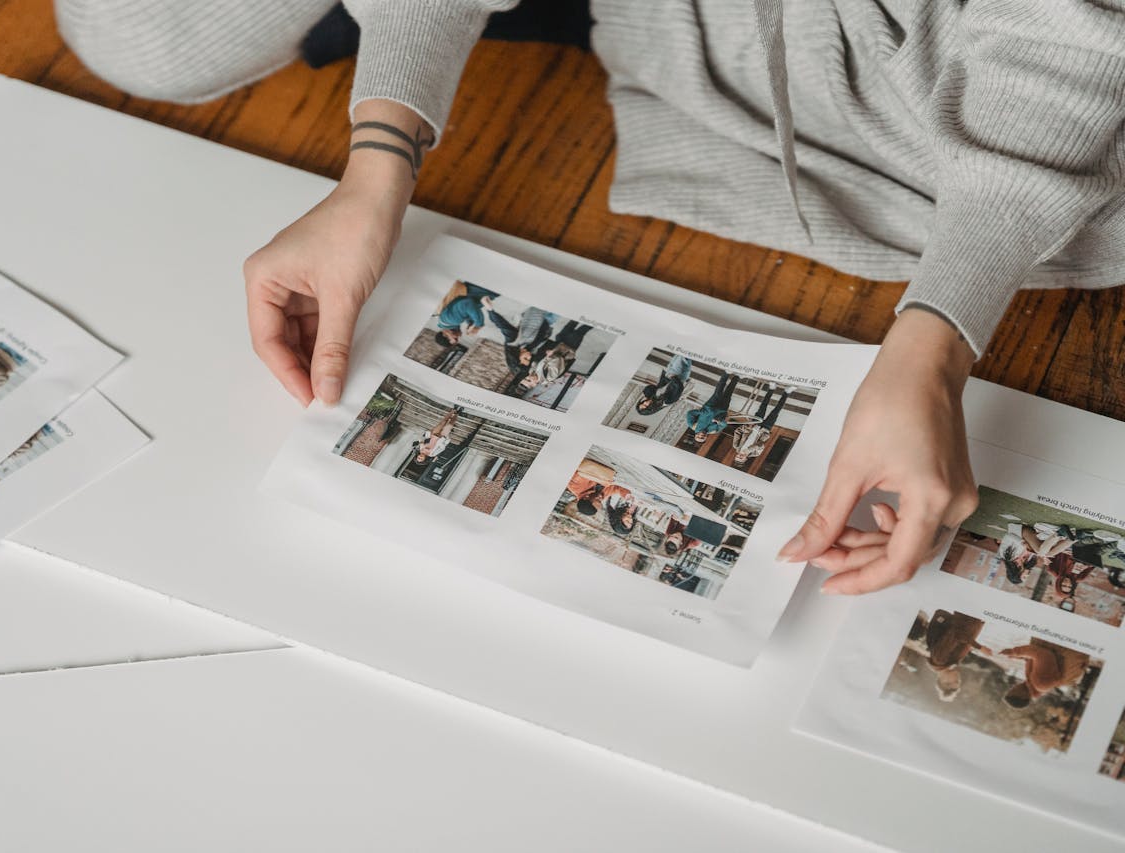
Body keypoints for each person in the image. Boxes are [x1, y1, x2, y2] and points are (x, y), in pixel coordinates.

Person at [58, 1, 1125, 595]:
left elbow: (1060, 58)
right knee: (134, 31)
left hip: (931, 94)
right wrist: (377, 160)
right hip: (663, 23)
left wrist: (932, 343)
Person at [1000, 639, 1090, 709]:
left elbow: (1040, 662)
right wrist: (1015, 652)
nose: (1014, 686)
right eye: (1013, 690)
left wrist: (1021, 657)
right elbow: (1043, 654)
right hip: (1064, 643)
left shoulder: (1032, 682)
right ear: (1023, 696)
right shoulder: (1040, 683)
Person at [923, 609, 991, 703]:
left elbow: (956, 634)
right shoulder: (947, 663)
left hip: (967, 614)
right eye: (958, 682)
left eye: (956, 681)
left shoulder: (940, 659)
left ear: (944, 681)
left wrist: (980, 647)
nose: (959, 679)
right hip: (972, 616)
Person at [731, 385, 793, 468]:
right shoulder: (756, 453)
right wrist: (749, 449)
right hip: (765, 429)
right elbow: (761, 445)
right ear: (745, 459)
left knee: (763, 406)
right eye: (741, 458)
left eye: (737, 457)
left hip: (754, 424)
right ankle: (787, 392)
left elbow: (737, 431)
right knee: (776, 410)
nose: (740, 456)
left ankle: (771, 388)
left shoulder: (736, 446)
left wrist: (748, 427)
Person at [431, 281, 499, 347]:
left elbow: (467, 303)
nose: (459, 336)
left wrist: (478, 325)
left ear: (445, 334)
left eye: (455, 338)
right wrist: (470, 322)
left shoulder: (451, 320)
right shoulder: (445, 322)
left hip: (481, 289)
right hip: (478, 288)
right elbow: (461, 308)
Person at [685, 372, 741, 446]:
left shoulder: (693, 426)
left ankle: (727, 373)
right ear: (706, 438)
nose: (701, 436)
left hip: (710, 406)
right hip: (722, 409)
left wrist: (702, 412)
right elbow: (724, 425)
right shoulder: (713, 431)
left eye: (698, 437)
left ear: (695, 435)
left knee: (718, 390)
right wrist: (719, 422)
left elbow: (690, 414)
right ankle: (737, 377)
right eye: (702, 438)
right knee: (729, 392)